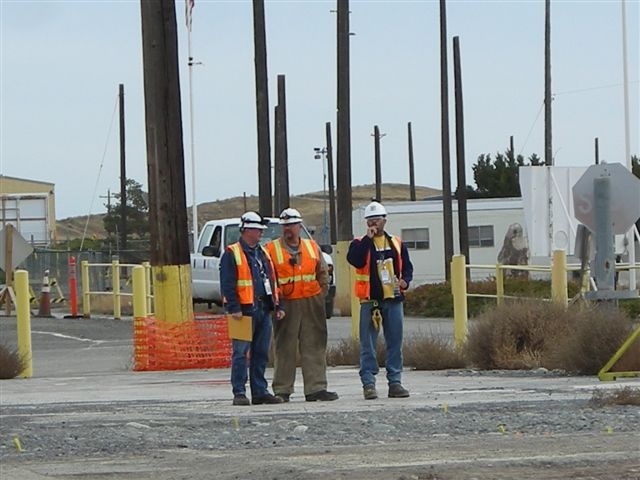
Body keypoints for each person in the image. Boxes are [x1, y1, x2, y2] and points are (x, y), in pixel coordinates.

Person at [265, 208, 338, 402]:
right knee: (284, 347)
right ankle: (282, 390)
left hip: (311, 302)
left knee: (314, 344)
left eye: (291, 225)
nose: (288, 229)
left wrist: (320, 295)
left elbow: (322, 272)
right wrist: (275, 302)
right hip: (286, 304)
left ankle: (316, 388)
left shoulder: (312, 246)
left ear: (299, 226)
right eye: (285, 226)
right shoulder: (271, 249)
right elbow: (268, 277)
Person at [347, 201, 414, 400]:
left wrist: (405, 282)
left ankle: (395, 382)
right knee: (368, 344)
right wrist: (368, 240)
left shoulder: (396, 243)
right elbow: (355, 260)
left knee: (395, 342)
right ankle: (368, 383)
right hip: (370, 301)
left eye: (377, 219)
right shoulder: (359, 243)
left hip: (393, 299)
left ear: (385, 220)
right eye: (370, 220)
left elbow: (407, 267)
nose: (373, 223)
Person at [220, 211, 284, 406]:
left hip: (263, 308)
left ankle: (259, 391)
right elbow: (228, 284)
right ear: (247, 230)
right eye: (257, 230)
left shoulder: (263, 253)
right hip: (244, 311)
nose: (260, 234)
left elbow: (272, 280)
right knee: (240, 353)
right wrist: (234, 308)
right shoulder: (232, 253)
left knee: (261, 352)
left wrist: (277, 305)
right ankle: (239, 392)